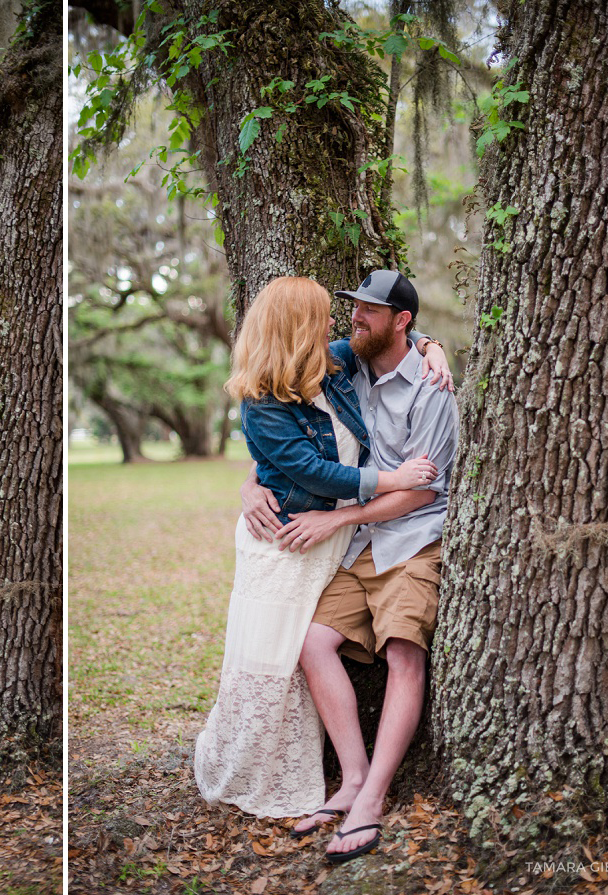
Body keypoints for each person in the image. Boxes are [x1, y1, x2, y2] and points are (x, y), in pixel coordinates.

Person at [193, 276, 440, 820]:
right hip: (284, 541)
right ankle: (255, 769)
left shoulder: (332, 364)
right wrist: (391, 479)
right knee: (269, 658)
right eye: (325, 315)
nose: (336, 323)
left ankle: (348, 783)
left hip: (332, 539)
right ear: (297, 327)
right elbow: (310, 470)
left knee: (302, 653)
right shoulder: (261, 400)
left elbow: (396, 333)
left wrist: (431, 344)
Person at [243, 270, 459, 863]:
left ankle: (373, 801)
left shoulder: (434, 390)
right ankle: (354, 779)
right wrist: (250, 484)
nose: (354, 320)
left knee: (402, 654)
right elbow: (285, 437)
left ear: (402, 321)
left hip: (413, 538)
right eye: (353, 308)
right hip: (363, 541)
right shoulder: (349, 367)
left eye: (367, 310)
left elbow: (421, 493)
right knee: (313, 643)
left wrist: (336, 519)